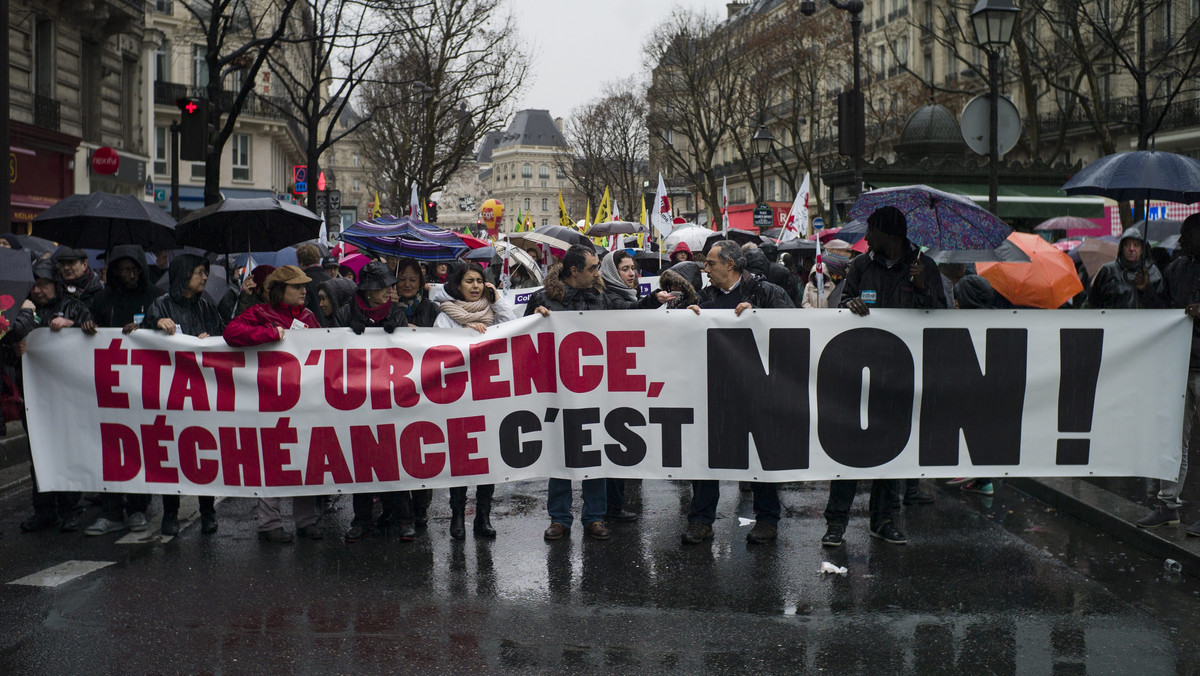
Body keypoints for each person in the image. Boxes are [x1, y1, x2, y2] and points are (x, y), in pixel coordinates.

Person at [823, 205, 946, 547]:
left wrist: (922, 286)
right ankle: (836, 523)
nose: (865, 238)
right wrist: (849, 305)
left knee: (891, 452)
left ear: (890, 235)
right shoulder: (861, 265)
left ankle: (885, 520)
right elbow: (840, 304)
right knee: (848, 450)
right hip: (860, 372)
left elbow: (941, 317)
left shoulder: (924, 268)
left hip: (901, 376)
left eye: (871, 232)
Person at [682, 240, 794, 545]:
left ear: (730, 265)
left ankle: (767, 519)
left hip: (758, 390)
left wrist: (759, 316)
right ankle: (701, 520)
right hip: (717, 389)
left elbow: (793, 329)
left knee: (760, 455)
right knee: (707, 456)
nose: (705, 269)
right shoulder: (706, 297)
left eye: (710, 263)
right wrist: (689, 316)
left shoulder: (767, 293)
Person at [223, 265, 324, 543]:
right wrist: (269, 333)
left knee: (304, 459)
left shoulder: (309, 317)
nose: (304, 291)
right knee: (272, 459)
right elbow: (232, 332)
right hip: (269, 401)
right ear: (280, 291)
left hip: (303, 400)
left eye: (305, 286)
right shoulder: (259, 314)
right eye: (297, 287)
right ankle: (270, 523)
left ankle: (305, 521)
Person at [526, 245, 614, 540]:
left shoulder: (601, 297)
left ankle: (595, 517)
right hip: (558, 390)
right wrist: (535, 319)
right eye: (592, 268)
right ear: (573, 271)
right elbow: (522, 339)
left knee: (594, 451)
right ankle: (559, 518)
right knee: (560, 451)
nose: (597, 273)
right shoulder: (543, 298)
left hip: (594, 388)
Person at [137, 254, 227, 535]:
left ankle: (208, 510)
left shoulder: (208, 308)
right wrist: (155, 324)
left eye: (205, 273)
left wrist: (210, 341)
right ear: (184, 274)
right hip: (170, 394)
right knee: (172, 454)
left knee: (204, 452)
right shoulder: (160, 305)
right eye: (200, 272)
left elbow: (225, 338)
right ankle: (170, 513)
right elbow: (141, 342)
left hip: (201, 393)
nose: (204, 278)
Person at [81, 246, 161, 536]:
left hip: (142, 387)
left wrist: (147, 329)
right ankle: (111, 510)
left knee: (139, 446)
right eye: (124, 269)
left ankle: (138, 507)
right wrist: (86, 325)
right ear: (115, 271)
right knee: (110, 448)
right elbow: (87, 330)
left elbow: (166, 331)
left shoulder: (153, 296)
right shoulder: (102, 299)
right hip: (108, 388)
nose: (130, 274)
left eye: (134, 269)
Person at [431, 262, 515, 539]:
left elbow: (514, 328)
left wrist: (498, 300)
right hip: (459, 399)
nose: (476, 286)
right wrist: (467, 334)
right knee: (461, 460)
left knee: (487, 459)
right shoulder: (445, 315)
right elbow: (438, 351)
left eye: (480, 281)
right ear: (458, 284)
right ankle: (457, 517)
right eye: (469, 281)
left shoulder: (493, 312)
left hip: (489, 396)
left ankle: (483, 517)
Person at [336, 262, 418, 542]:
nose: (390, 290)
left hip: (389, 398)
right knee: (362, 462)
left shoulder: (396, 313)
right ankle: (361, 520)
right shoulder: (345, 313)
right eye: (383, 286)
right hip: (357, 400)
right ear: (368, 290)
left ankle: (403, 518)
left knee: (392, 460)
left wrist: (400, 328)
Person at [18, 260, 97, 533]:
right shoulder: (22, 310)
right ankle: (44, 510)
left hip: (65, 396)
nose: (38, 291)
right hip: (33, 397)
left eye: (43, 285)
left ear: (55, 284)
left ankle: (70, 508)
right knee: (38, 453)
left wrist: (75, 325)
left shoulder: (74, 305)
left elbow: (91, 339)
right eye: (34, 285)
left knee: (65, 449)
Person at [597, 250, 676, 521]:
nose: (632, 273)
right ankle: (610, 507)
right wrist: (653, 300)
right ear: (610, 272)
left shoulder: (624, 294)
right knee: (613, 440)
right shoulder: (609, 298)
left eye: (633, 268)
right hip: (612, 381)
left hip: (625, 378)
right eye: (625, 269)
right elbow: (628, 315)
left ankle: (613, 504)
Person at [1139, 213, 1200, 531]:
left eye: (1188, 233)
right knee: (1174, 440)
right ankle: (1167, 504)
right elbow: (1162, 311)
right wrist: (1146, 290)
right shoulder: (1176, 269)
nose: (1182, 238)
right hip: (1181, 366)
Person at [942, 275, 1004, 497]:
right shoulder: (1001, 319)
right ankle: (984, 480)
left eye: (959, 297)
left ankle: (973, 473)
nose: (956, 302)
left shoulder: (965, 322)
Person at [391, 257, 439, 527]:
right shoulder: (389, 308)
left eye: (412, 279)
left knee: (422, 452)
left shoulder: (432, 309)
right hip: (394, 390)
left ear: (420, 282)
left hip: (424, 388)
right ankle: (403, 512)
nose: (407, 284)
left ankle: (421, 508)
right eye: (402, 279)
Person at [1087, 226, 1164, 309]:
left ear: (1142, 249)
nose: (1131, 249)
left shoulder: (1153, 273)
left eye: (1136, 245)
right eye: (1127, 244)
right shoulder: (1108, 271)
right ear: (1121, 248)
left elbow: (1162, 306)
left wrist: (1147, 290)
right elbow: (1092, 303)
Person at [296, 243, 330, 316]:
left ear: (301, 263)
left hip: (313, 324)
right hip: (332, 325)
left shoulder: (303, 282)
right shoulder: (330, 279)